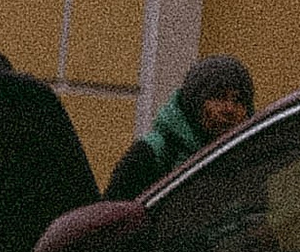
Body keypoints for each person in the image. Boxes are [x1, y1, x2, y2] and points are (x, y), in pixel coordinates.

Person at [106, 53, 255, 202]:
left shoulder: (249, 157)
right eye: (218, 97)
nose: (229, 109)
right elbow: (113, 215)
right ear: (194, 102)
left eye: (238, 100)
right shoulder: (153, 153)